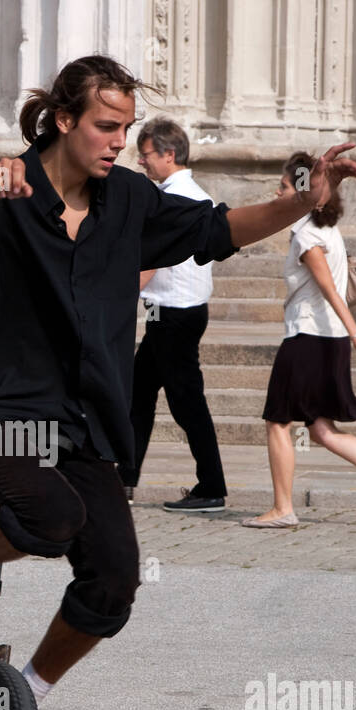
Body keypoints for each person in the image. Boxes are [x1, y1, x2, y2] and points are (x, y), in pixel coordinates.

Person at [0, 56, 356, 710]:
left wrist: (302, 198)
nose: (118, 142)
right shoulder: (5, 184)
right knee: (53, 513)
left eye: (127, 129)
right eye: (105, 126)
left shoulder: (130, 202)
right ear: (64, 120)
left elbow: (222, 227)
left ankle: (29, 695)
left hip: (84, 420)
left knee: (115, 583)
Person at [241, 151, 356, 528]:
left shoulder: (306, 234)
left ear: (301, 190)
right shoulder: (326, 229)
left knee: (277, 422)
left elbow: (332, 291)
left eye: (285, 185)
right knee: (320, 430)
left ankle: (282, 509)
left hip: (309, 337)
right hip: (327, 340)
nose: (278, 191)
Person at [118, 117, 227, 511]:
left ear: (168, 154)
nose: (141, 163)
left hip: (174, 316)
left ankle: (211, 486)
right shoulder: (193, 194)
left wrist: (119, 296)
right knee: (140, 395)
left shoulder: (175, 199)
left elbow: (153, 258)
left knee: (186, 403)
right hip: (176, 313)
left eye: (145, 155)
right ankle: (125, 479)